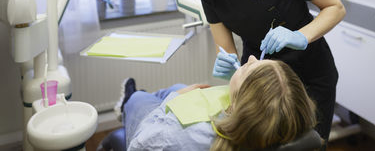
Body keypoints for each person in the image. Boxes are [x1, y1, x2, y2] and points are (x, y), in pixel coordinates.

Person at [175, 0, 346, 145]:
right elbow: (225, 49)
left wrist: (301, 36)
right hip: (260, 85)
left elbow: (335, 8)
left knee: (308, 145)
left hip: (311, 74)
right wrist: (230, 66)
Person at [112, 56, 317, 151]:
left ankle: (128, 101)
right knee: (178, 86)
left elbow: (138, 146)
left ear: (242, 104)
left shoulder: (172, 134)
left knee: (141, 100)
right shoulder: (283, 122)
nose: (251, 57)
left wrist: (174, 100)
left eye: (246, 67)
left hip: (155, 125)